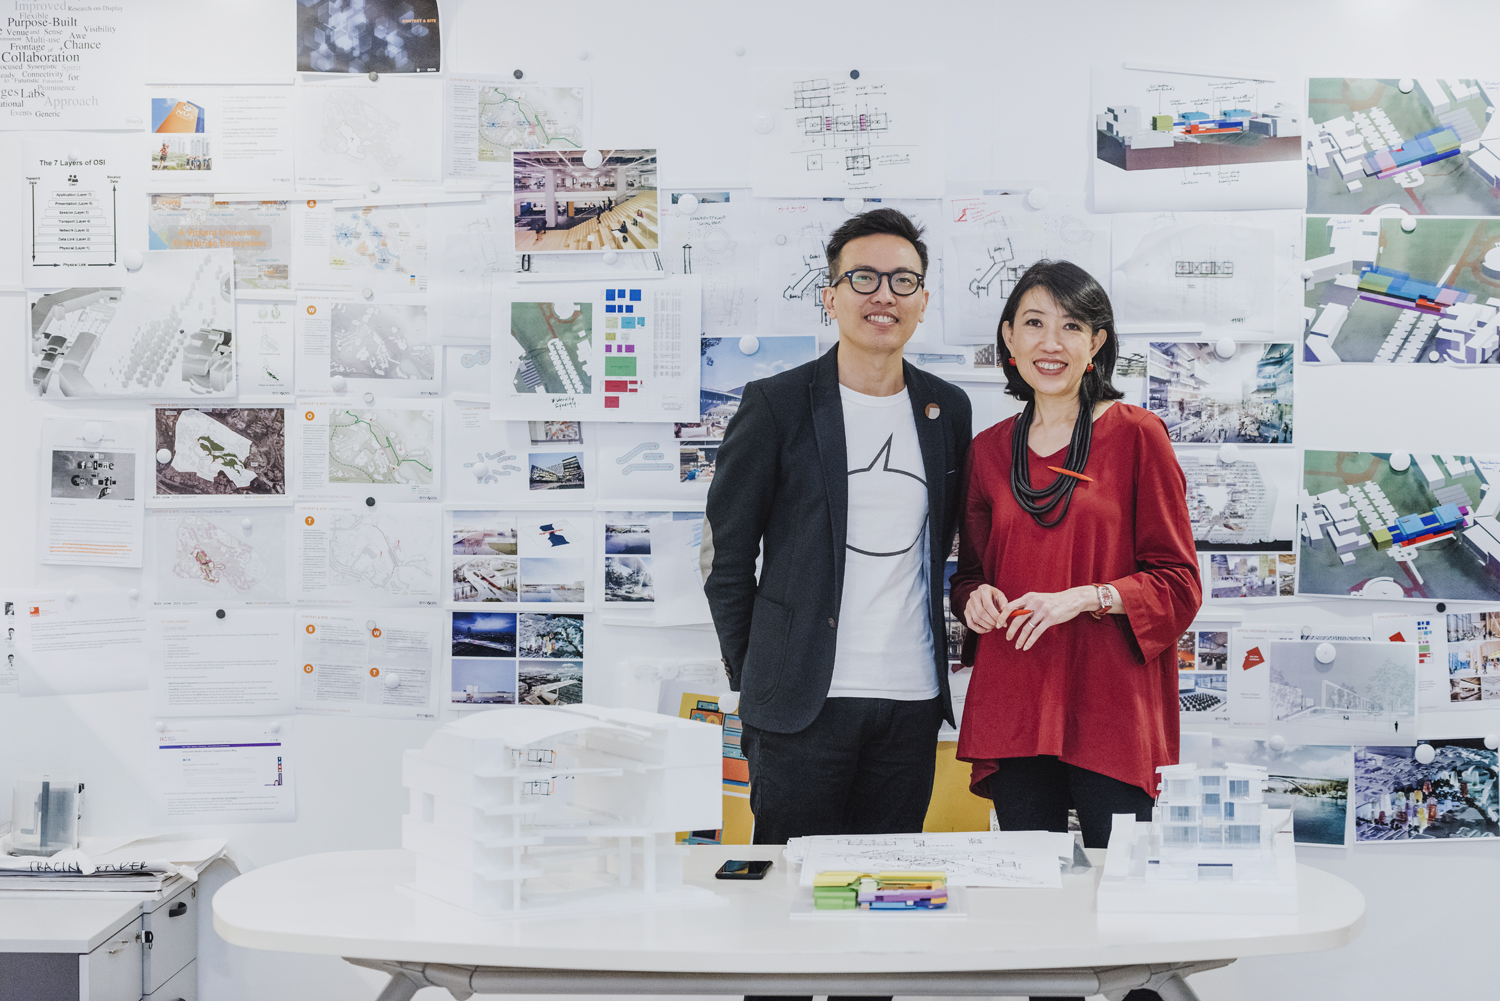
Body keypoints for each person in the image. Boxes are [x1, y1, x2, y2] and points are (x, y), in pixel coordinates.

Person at [950, 260, 1199, 1001]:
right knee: (1037, 919)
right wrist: (976, 599)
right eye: (1033, 323)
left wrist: (1085, 598)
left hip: (1110, 704)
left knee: (1126, 918)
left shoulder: (1138, 435)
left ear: (1098, 343)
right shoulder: (989, 450)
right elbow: (971, 575)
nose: (1050, 342)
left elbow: (1179, 582)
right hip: (1018, 699)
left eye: (1071, 325)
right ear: (1008, 338)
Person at [702, 206, 973, 847]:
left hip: (911, 700)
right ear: (831, 297)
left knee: (890, 886)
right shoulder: (776, 404)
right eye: (863, 278)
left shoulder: (947, 408)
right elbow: (727, 559)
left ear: (923, 301)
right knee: (790, 886)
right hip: (800, 703)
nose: (884, 295)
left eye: (903, 281)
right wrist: (757, 672)